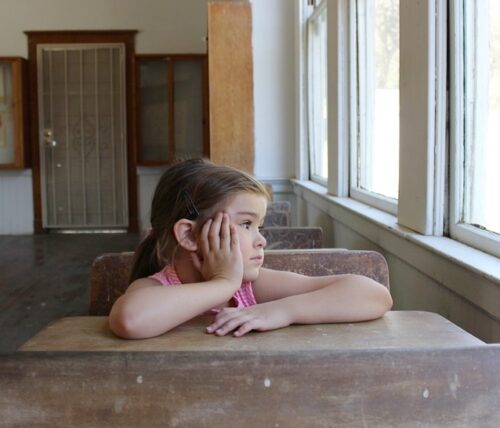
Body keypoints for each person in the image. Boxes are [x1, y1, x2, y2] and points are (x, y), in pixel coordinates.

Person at [109, 158, 393, 339]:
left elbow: (374, 295)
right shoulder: (156, 287)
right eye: (246, 224)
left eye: (260, 226)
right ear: (189, 235)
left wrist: (282, 311)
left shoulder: (250, 288)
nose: (262, 240)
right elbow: (130, 320)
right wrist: (223, 284)